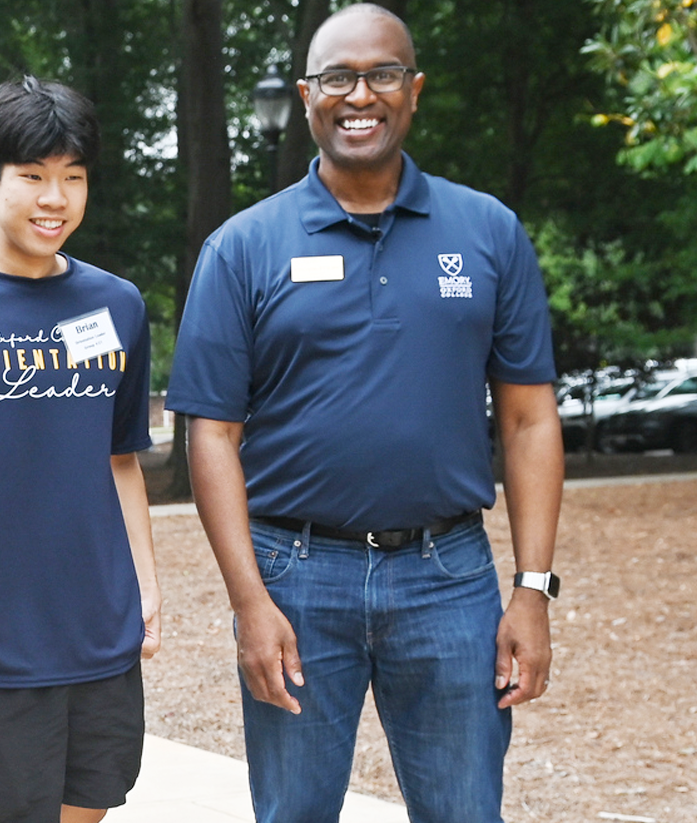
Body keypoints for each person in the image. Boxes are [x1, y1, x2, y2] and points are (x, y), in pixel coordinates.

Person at [165, 6, 564, 822]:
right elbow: (212, 433)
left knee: (464, 811)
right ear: (309, 95)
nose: (362, 95)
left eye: (382, 74)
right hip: (297, 580)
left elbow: (529, 419)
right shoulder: (242, 247)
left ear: (413, 91)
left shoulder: (488, 232)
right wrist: (250, 602)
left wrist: (530, 591)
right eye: (340, 78)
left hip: (449, 578)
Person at [0, 77, 159, 823]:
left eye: (73, 177)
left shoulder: (117, 305)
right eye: (35, 176)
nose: (56, 198)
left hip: (103, 643)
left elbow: (121, 456)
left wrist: (146, 583)